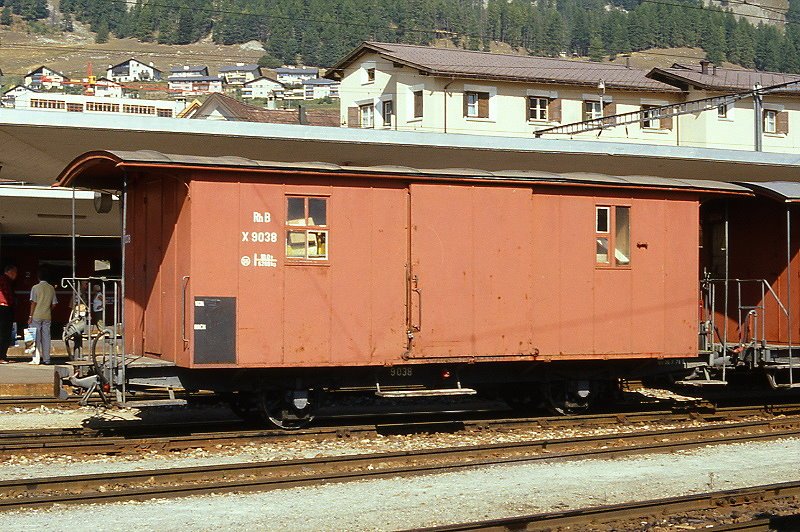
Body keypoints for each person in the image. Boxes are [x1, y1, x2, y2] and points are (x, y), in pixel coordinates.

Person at [28, 267, 57, 365]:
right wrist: (48, 310)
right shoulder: (51, 288)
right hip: (47, 315)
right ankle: (47, 359)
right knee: (46, 337)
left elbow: (33, 303)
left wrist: (30, 316)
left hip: (36, 315)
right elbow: (54, 304)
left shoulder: (35, 288)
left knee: (35, 337)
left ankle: (35, 359)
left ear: (38, 277)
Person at [0, 265, 17, 364]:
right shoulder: (5, 281)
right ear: (10, 271)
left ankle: (3, 355)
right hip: (4, 307)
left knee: (5, 333)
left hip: (5, 307)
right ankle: (1, 356)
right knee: (4, 333)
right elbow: (8, 295)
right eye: (15, 272)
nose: (16, 275)